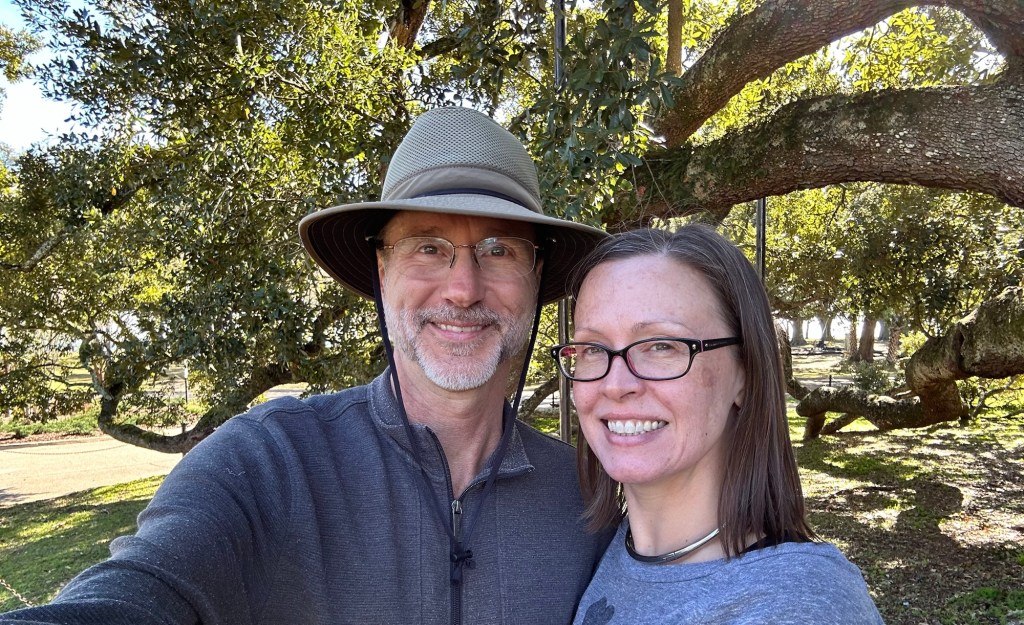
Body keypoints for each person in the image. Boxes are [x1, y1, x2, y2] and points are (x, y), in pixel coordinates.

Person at [0, 107, 611, 625]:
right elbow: (140, 587)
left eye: (499, 250)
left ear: (536, 278)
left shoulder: (589, 493)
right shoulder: (265, 462)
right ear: (380, 271)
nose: (463, 287)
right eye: (428, 246)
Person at [550, 226, 884, 624]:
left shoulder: (795, 605)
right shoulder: (601, 556)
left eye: (662, 346)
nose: (616, 384)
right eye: (592, 349)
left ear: (744, 373)